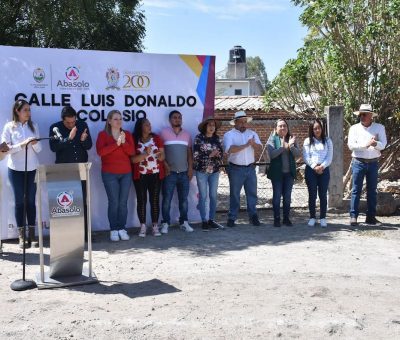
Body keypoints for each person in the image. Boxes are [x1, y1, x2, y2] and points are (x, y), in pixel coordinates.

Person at [1, 99, 42, 248]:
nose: (28, 113)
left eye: (29, 110)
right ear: (17, 111)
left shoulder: (34, 126)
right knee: (19, 202)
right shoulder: (9, 127)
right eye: (25, 110)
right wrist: (22, 145)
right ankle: (21, 236)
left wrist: (35, 144)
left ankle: (32, 234)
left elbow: (40, 149)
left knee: (31, 201)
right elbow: (5, 149)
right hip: (15, 170)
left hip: (32, 169)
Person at [49, 106, 92, 240]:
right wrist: (69, 138)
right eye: (68, 123)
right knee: (65, 203)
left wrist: (83, 140)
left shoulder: (82, 125)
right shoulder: (55, 128)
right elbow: (53, 147)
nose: (71, 124)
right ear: (62, 120)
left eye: (73, 122)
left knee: (82, 201)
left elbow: (89, 146)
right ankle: (67, 235)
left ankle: (84, 233)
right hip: (64, 170)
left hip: (81, 168)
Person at [96, 110, 134, 241]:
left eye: (120, 119)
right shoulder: (103, 135)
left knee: (123, 203)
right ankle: (113, 229)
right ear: (109, 121)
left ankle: (121, 228)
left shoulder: (127, 134)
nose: (119, 121)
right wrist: (116, 144)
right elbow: (101, 152)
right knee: (114, 202)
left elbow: (131, 152)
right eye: (116, 119)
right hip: (109, 173)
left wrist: (123, 142)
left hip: (126, 173)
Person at [348, 104, 387, 226]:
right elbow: (351, 146)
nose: (362, 116)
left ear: (371, 116)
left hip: (373, 162)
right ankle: (353, 216)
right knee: (356, 190)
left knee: (372, 191)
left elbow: (383, 144)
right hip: (358, 162)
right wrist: (366, 144)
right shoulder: (354, 128)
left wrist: (375, 144)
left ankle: (370, 217)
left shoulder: (379, 128)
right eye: (361, 114)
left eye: (365, 114)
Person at [223, 111, 262, 227]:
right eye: (241, 122)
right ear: (235, 122)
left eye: (245, 122)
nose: (243, 124)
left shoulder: (252, 134)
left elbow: (259, 148)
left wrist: (253, 144)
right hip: (235, 169)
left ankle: (253, 216)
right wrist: (246, 145)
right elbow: (230, 150)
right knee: (235, 194)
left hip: (250, 168)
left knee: (252, 193)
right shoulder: (229, 135)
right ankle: (232, 217)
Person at [160, 110, 194, 233]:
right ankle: (165, 223)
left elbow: (189, 153)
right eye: (174, 117)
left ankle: (184, 222)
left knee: (184, 200)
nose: (177, 119)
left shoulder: (187, 134)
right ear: (170, 120)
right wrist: (165, 165)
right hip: (169, 173)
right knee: (166, 199)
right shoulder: (163, 133)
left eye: (179, 117)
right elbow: (159, 152)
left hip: (184, 173)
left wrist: (190, 168)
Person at [131, 118, 165, 237]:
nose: (149, 126)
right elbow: (133, 160)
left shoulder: (156, 138)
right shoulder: (134, 140)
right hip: (140, 175)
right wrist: (145, 153)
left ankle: (155, 226)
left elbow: (162, 157)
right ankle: (143, 227)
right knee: (142, 201)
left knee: (154, 200)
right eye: (146, 125)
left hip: (155, 174)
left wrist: (160, 156)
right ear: (140, 127)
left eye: (150, 124)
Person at [267, 118, 301, 227]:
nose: (283, 128)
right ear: (276, 129)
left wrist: (291, 146)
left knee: (287, 197)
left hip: (289, 174)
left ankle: (286, 218)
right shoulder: (272, 139)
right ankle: (276, 218)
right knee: (276, 197)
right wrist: (283, 147)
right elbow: (272, 155)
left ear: (287, 128)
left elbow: (297, 154)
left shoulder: (292, 139)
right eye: (280, 126)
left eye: (284, 126)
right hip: (277, 174)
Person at [193, 116, 224, 231]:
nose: (212, 127)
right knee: (203, 196)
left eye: (213, 125)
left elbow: (221, 157)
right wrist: (210, 155)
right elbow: (195, 156)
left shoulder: (218, 139)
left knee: (213, 196)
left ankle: (211, 219)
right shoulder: (199, 138)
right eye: (210, 125)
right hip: (202, 171)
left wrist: (217, 155)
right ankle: (204, 221)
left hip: (214, 172)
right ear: (205, 127)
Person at [302, 119, 333, 228]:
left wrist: (322, 166)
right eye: (315, 128)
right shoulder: (307, 141)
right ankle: (312, 217)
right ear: (311, 130)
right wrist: (314, 166)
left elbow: (329, 157)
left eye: (319, 128)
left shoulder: (328, 141)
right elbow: (306, 156)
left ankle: (323, 217)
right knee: (312, 194)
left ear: (322, 128)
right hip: (311, 170)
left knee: (323, 194)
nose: (317, 130)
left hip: (324, 170)